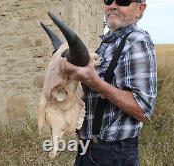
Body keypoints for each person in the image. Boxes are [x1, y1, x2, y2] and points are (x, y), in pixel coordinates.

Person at [59, 0, 157, 165]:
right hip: (89, 148)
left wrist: (94, 80)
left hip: (113, 154)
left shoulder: (137, 41)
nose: (112, 5)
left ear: (140, 9)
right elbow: (97, 91)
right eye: (107, 0)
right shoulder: (108, 44)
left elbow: (143, 109)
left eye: (123, 1)